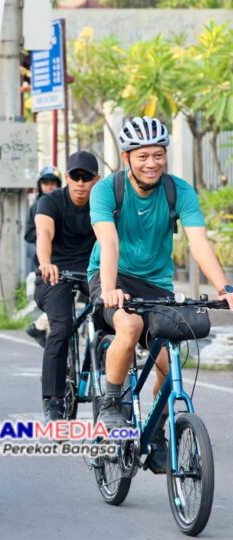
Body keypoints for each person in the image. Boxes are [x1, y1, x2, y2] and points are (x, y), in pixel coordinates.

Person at [89, 116, 233, 473]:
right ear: (127, 159)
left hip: (156, 284)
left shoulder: (178, 190)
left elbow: (198, 243)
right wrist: (109, 290)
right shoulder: (106, 190)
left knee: (171, 368)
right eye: (142, 156)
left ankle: (155, 432)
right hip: (112, 276)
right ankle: (110, 403)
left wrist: (224, 288)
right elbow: (109, 240)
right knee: (130, 326)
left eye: (158, 155)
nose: (151, 163)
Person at [34, 152, 99, 421]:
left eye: (87, 177)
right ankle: (54, 401)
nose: (80, 183)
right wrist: (46, 263)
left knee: (116, 315)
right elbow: (44, 234)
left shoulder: (103, 203)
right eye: (75, 176)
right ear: (67, 177)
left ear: (97, 179)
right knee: (61, 328)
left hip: (92, 271)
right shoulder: (50, 201)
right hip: (55, 273)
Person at [25, 165, 62, 348]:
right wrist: (45, 235)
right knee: (55, 302)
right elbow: (28, 234)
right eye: (46, 183)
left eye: (53, 183)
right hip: (45, 261)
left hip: (68, 259)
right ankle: (40, 326)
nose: (50, 187)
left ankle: (39, 326)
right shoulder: (37, 207)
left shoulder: (65, 204)